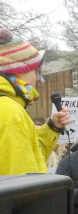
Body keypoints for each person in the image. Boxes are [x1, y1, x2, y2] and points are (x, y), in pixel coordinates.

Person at [0, 29, 69, 175]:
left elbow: (31, 159)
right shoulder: (9, 112)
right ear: (18, 70)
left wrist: (52, 127)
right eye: (36, 71)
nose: (38, 79)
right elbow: (23, 182)